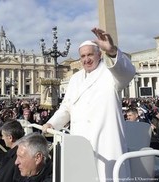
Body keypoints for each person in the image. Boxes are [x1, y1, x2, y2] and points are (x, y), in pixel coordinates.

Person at [42, 27, 136, 181]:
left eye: (90, 54)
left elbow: (128, 73)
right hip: (80, 139)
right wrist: (52, 123)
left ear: (99, 54)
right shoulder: (75, 78)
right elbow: (66, 107)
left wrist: (112, 51)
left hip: (106, 142)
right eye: (83, 56)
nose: (86, 59)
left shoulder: (110, 72)